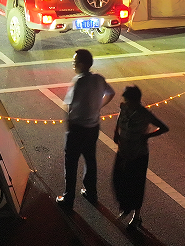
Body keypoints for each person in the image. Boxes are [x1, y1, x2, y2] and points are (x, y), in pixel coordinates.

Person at [57, 49, 115, 209]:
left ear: (81, 65)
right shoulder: (99, 79)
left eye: (74, 62)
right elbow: (111, 93)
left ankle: (69, 197)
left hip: (77, 128)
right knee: (90, 160)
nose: (73, 64)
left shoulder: (79, 81)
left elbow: (68, 104)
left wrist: (68, 124)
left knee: (71, 163)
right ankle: (91, 192)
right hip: (93, 127)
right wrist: (98, 107)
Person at [112, 86, 169, 228]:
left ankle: (136, 216)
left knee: (136, 185)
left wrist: (147, 136)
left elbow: (164, 127)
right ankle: (125, 206)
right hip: (123, 150)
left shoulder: (144, 114)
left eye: (127, 100)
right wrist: (116, 132)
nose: (125, 102)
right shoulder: (125, 108)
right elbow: (120, 117)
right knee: (118, 180)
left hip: (138, 154)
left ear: (135, 100)